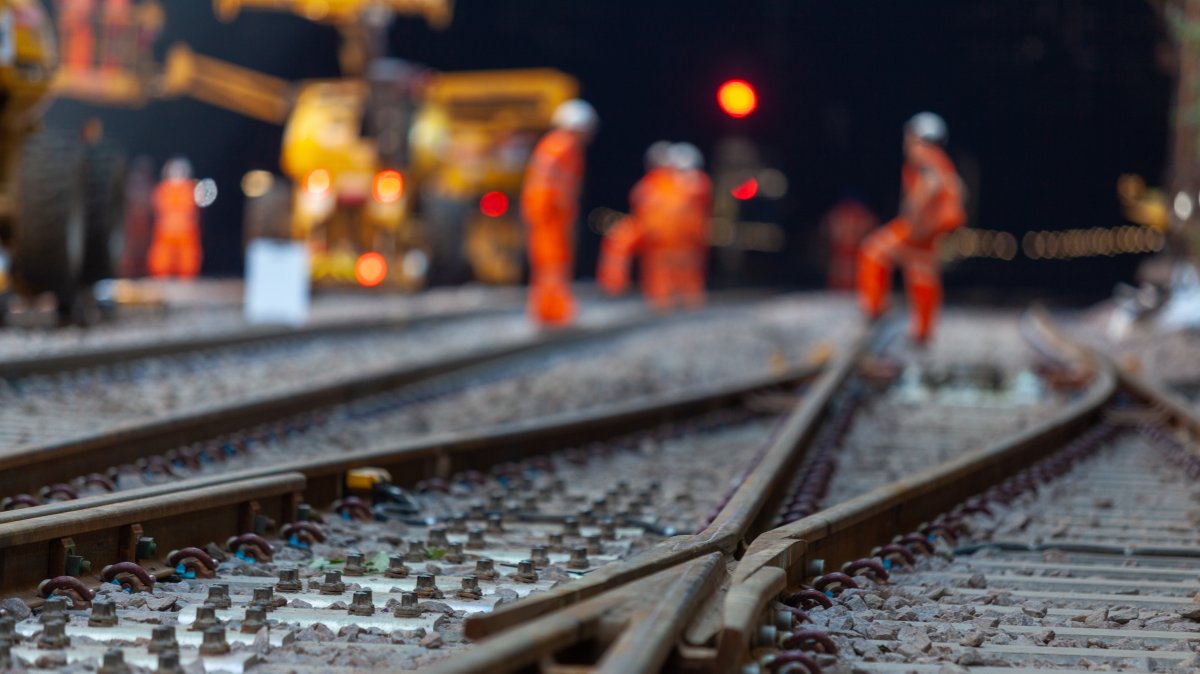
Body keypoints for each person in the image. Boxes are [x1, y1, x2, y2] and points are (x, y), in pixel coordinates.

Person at [857, 112, 966, 342]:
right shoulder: (943, 160)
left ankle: (875, 309)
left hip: (917, 228)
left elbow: (931, 184)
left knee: (873, 251)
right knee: (922, 274)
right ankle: (923, 332)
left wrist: (913, 210)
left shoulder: (924, 155)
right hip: (930, 232)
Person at [599, 142, 712, 310]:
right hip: (665, 236)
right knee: (668, 271)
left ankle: (675, 299)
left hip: (675, 237)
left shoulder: (682, 183)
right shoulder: (667, 183)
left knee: (676, 270)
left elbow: (639, 200)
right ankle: (620, 288)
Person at [520, 99, 597, 325]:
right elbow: (551, 185)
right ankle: (553, 311)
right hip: (550, 215)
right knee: (553, 263)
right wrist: (556, 213)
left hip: (548, 214)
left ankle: (548, 310)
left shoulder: (557, 145)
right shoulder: (562, 146)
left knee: (549, 264)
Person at [147, 157, 203, 278]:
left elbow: (195, 210)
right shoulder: (162, 189)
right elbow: (157, 207)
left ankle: (186, 276)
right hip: (165, 230)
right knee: (162, 255)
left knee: (187, 256)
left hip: (185, 231)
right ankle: (161, 275)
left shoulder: (190, 189)